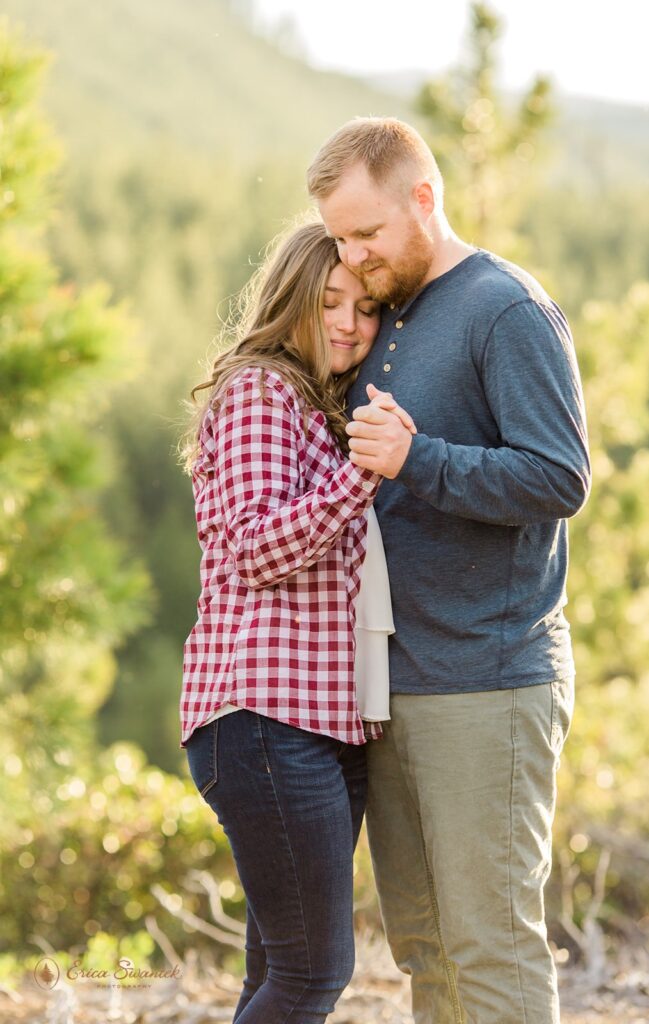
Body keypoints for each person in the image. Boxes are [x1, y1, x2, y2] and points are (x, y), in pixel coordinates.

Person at [308, 118, 591, 1024]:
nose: (350, 259)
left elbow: (559, 477)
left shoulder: (504, 308)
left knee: (490, 946)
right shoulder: (391, 309)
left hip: (489, 678)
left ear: (422, 199)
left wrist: (417, 458)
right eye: (337, 239)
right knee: (424, 947)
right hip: (395, 682)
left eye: (366, 234)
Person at [178, 221, 411, 1024]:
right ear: (289, 302)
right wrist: (361, 476)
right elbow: (254, 548)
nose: (349, 323)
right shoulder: (260, 390)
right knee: (312, 975)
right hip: (263, 721)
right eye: (330, 302)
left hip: (312, 726)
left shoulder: (315, 405)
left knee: (278, 973)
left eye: (368, 306)